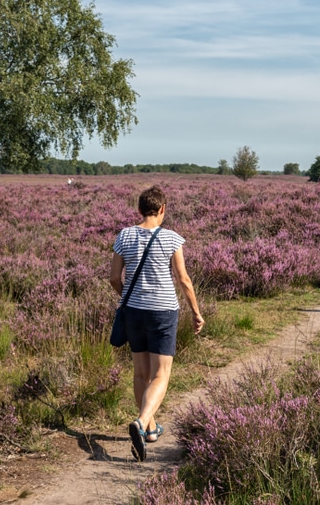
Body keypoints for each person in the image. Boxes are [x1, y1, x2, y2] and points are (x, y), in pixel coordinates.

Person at [109, 185, 204, 461]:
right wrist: (196, 313)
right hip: (163, 311)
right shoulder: (172, 238)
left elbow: (115, 278)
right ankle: (141, 422)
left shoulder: (124, 235)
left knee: (141, 373)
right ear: (162, 209)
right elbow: (183, 279)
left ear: (139, 209)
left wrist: (128, 296)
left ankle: (150, 430)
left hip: (133, 312)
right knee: (161, 374)